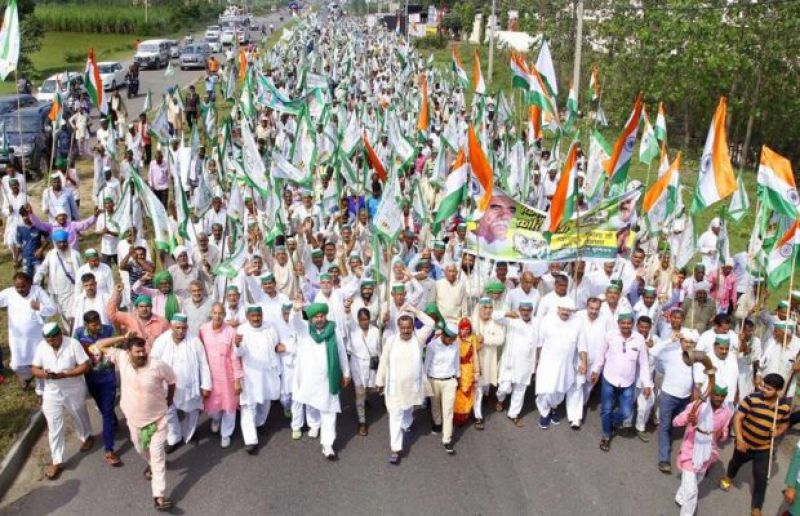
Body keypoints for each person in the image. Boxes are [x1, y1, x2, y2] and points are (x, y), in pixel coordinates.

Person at [96, 335, 176, 511]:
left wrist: (169, 399)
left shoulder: (157, 364)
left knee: (157, 458)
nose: (141, 354)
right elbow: (99, 345)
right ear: (128, 352)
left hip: (158, 420)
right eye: (137, 351)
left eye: (143, 350)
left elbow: (172, 381)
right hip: (134, 421)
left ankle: (159, 496)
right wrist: (123, 337)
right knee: (141, 450)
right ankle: (150, 464)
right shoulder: (121, 358)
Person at [719, 373, 791, 516]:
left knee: (761, 478)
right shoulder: (752, 399)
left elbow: (785, 423)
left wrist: (777, 432)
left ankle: (756, 507)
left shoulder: (783, 407)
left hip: (763, 448)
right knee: (735, 463)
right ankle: (728, 477)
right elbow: (738, 418)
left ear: (779, 391)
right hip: (744, 443)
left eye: (768, 389)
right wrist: (739, 439)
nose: (764, 390)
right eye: (764, 386)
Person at [31, 322, 93, 480]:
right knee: (54, 426)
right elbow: (34, 368)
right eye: (48, 340)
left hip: (73, 388)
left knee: (79, 414)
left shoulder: (73, 344)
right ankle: (57, 461)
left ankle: (86, 436)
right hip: (52, 391)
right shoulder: (42, 347)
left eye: (53, 339)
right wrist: (44, 374)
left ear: (60, 335)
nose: (51, 343)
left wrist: (66, 374)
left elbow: (85, 366)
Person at [290, 300, 351, 460]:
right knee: (311, 404)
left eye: (321, 315)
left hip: (328, 379)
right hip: (310, 379)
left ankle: (327, 445)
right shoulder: (304, 330)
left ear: (325, 316)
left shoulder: (333, 330)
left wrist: (346, 373)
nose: (319, 319)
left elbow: (341, 352)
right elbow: (294, 322)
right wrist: (296, 311)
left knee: (329, 411)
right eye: (316, 316)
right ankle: (314, 425)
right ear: (310, 319)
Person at [375, 305, 436, 464]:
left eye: (409, 327)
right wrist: (379, 380)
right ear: (398, 327)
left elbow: (431, 323)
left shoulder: (419, 338)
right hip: (394, 387)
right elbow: (383, 361)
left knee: (408, 409)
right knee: (395, 416)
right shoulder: (391, 341)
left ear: (412, 327)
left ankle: (407, 425)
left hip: (412, 387)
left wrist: (415, 311)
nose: (406, 331)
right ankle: (396, 449)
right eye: (403, 328)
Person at [592, 311, 653, 452]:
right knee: (606, 409)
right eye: (623, 323)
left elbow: (643, 364)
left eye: (629, 323)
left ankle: (609, 421)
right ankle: (606, 435)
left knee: (626, 412)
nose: (626, 326)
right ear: (618, 323)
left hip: (628, 382)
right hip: (609, 379)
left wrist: (647, 384)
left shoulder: (639, 340)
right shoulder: (610, 336)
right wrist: (595, 370)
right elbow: (600, 355)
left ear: (633, 324)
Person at [151, 314, 212, 452]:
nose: (180, 331)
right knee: (169, 413)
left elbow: (203, 363)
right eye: (177, 328)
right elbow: (153, 362)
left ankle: (189, 435)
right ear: (172, 327)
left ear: (187, 327)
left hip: (189, 386)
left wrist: (206, 385)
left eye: (183, 328)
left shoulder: (194, 341)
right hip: (167, 387)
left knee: (191, 411)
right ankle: (174, 438)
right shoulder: (162, 340)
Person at [673, 385, 732, 516]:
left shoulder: (726, 412)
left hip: (707, 454)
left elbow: (724, 433)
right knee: (693, 491)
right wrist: (688, 419)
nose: (719, 398)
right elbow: (676, 422)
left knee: (695, 482)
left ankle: (680, 497)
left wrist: (721, 434)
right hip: (690, 451)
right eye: (716, 394)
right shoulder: (698, 405)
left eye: (722, 395)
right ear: (710, 394)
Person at [73, 310, 121, 466]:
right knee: (103, 408)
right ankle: (113, 419)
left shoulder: (108, 330)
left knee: (105, 412)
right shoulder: (79, 334)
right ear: (86, 325)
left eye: (99, 322)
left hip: (108, 376)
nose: (98, 326)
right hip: (91, 378)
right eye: (94, 324)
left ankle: (109, 450)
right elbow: (74, 352)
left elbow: (116, 345)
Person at [235, 305, 283, 454]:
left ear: (262, 315)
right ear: (248, 317)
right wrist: (237, 344)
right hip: (250, 375)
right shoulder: (242, 330)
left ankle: (260, 422)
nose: (256, 318)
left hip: (268, 372)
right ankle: (251, 440)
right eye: (253, 316)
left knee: (266, 400)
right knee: (248, 406)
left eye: (258, 315)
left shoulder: (270, 327)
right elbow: (239, 352)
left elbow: (275, 346)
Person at [535, 296, 587, 430]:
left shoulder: (577, 322)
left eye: (568, 310)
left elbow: (582, 346)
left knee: (559, 391)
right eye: (563, 309)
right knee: (545, 390)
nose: (565, 312)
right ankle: (544, 413)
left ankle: (553, 408)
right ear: (558, 308)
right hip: (547, 363)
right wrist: (538, 362)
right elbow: (539, 343)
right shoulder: (547, 320)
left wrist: (584, 363)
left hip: (565, 365)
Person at [0, 272, 57, 387]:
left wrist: (39, 307)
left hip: (36, 338)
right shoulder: (10, 293)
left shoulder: (38, 292)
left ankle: (41, 390)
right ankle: (27, 377)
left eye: (23, 286)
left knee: (39, 364)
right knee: (16, 365)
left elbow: (53, 309)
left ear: (30, 283)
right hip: (17, 338)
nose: (20, 289)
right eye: (17, 287)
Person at [199, 303, 242, 449]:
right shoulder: (203, 330)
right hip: (210, 376)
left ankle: (226, 434)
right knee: (213, 408)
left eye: (220, 313)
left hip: (227, 377)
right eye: (215, 313)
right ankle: (216, 420)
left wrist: (237, 380)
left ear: (225, 315)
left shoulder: (231, 331)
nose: (217, 316)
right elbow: (199, 353)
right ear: (211, 313)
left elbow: (235, 357)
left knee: (229, 407)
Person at [496, 302, 537, 426]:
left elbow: (536, 345)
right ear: (519, 310)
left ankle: (513, 414)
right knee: (504, 387)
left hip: (526, 363)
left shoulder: (536, 323)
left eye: (528, 310)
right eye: (523, 309)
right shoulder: (512, 320)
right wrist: (507, 313)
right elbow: (495, 316)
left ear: (531, 310)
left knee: (520, 390)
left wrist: (534, 366)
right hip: (510, 362)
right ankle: (500, 399)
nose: (525, 312)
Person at [425, 321, 460, 454]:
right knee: (435, 405)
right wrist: (424, 382)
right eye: (449, 339)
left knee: (448, 410)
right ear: (444, 335)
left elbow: (456, 362)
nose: (451, 341)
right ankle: (437, 423)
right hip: (434, 380)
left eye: (453, 339)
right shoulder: (432, 345)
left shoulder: (455, 345)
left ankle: (447, 439)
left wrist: (458, 377)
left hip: (449, 381)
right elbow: (426, 364)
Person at [346, 306, 381, 436]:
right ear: (358, 320)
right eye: (361, 319)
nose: (364, 322)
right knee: (360, 393)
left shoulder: (376, 331)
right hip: (357, 365)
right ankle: (362, 422)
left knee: (370, 390)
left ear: (369, 319)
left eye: (366, 319)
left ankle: (366, 399)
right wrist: (347, 310)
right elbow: (347, 320)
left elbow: (379, 351)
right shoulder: (353, 331)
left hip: (371, 366)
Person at [107, 283, 170, 351]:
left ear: (151, 307)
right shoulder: (129, 317)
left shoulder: (162, 322)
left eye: (147, 306)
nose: (144, 309)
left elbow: (170, 338)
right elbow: (112, 313)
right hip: (134, 358)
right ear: (136, 308)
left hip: (155, 358)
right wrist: (117, 293)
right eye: (141, 306)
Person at [453, 318, 480, 426]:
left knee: (466, 392)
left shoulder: (473, 338)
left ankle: (464, 416)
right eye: (463, 329)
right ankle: (455, 415)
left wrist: (476, 372)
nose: (465, 332)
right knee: (455, 392)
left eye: (467, 329)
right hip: (455, 368)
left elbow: (475, 356)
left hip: (468, 370)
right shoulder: (455, 339)